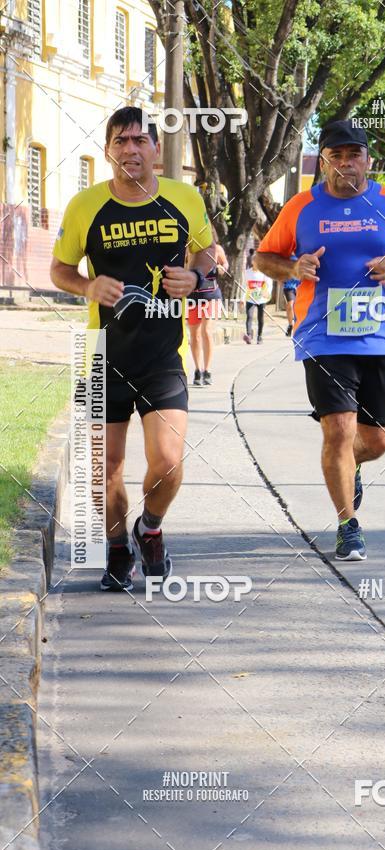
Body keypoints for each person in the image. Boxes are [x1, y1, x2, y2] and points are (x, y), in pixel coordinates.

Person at [50, 106, 215, 591]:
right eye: (120, 142)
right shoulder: (85, 206)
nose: (130, 150)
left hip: (163, 354)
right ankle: (118, 547)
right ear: (109, 152)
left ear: (155, 150)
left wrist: (197, 275)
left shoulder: (185, 198)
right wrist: (88, 287)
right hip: (103, 355)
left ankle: (151, 527)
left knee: (168, 461)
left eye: (139, 141)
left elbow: (206, 250)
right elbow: (60, 269)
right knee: (106, 468)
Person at [255, 119, 385, 561]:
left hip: (378, 335)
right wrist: (294, 269)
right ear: (324, 161)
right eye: (336, 156)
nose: (346, 163)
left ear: (368, 159)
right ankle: (347, 524)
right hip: (322, 336)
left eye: (354, 154)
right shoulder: (301, 207)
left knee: (377, 441)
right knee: (338, 431)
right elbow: (264, 256)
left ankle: (348, 466)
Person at [187, 241, 228, 386]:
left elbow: (225, 265)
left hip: (211, 295)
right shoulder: (189, 248)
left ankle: (207, 370)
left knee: (206, 331)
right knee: (195, 335)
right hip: (192, 296)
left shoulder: (217, 248)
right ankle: (198, 370)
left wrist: (221, 268)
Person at [243, 251, 272, 344]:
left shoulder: (264, 273)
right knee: (249, 316)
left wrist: (267, 293)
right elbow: (244, 286)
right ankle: (249, 335)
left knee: (260, 318)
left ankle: (259, 336)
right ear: (252, 262)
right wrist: (241, 299)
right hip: (250, 298)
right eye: (254, 260)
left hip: (261, 299)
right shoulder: (247, 273)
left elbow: (269, 284)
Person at [283, 272, 299, 337]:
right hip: (289, 287)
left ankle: (297, 324)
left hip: (300, 287)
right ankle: (290, 325)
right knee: (290, 305)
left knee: (298, 307)